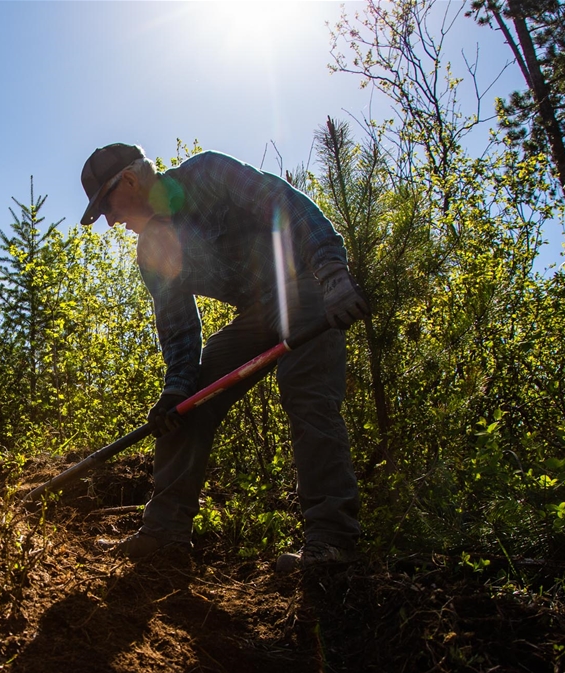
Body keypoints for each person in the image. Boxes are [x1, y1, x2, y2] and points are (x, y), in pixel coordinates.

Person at [79, 143, 369, 573]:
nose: (110, 220)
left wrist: (332, 275)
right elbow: (179, 329)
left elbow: (286, 203)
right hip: (256, 312)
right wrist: (174, 390)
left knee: (305, 392)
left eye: (107, 205)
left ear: (131, 180)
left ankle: (333, 540)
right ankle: (165, 534)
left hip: (304, 285)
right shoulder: (152, 250)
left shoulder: (207, 174)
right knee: (188, 403)